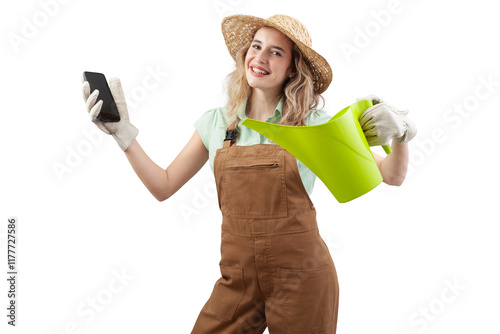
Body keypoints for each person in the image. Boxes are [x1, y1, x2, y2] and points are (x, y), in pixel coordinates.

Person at [81, 13, 416, 334]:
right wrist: (124, 136)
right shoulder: (216, 122)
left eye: (276, 52)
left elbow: (391, 175)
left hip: (302, 280)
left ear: (291, 69)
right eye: (256, 46)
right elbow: (163, 186)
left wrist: (400, 136)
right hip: (237, 280)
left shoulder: (314, 127)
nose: (261, 57)